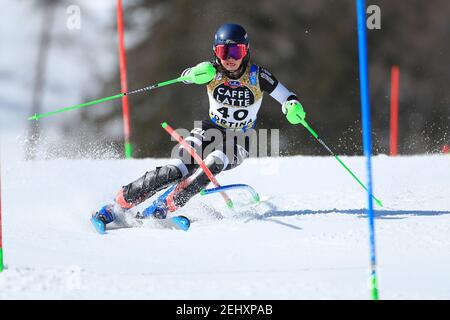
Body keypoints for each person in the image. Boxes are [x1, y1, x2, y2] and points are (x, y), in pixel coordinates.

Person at [92, 23, 306, 229]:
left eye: (236, 51)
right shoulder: (212, 72)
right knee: (176, 169)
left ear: (246, 51)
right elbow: (184, 78)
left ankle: (163, 207)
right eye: (224, 52)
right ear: (215, 52)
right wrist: (193, 72)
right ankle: (116, 205)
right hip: (209, 129)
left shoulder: (257, 76)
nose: (230, 59)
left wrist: (292, 105)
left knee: (212, 164)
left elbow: (286, 95)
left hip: (240, 137)